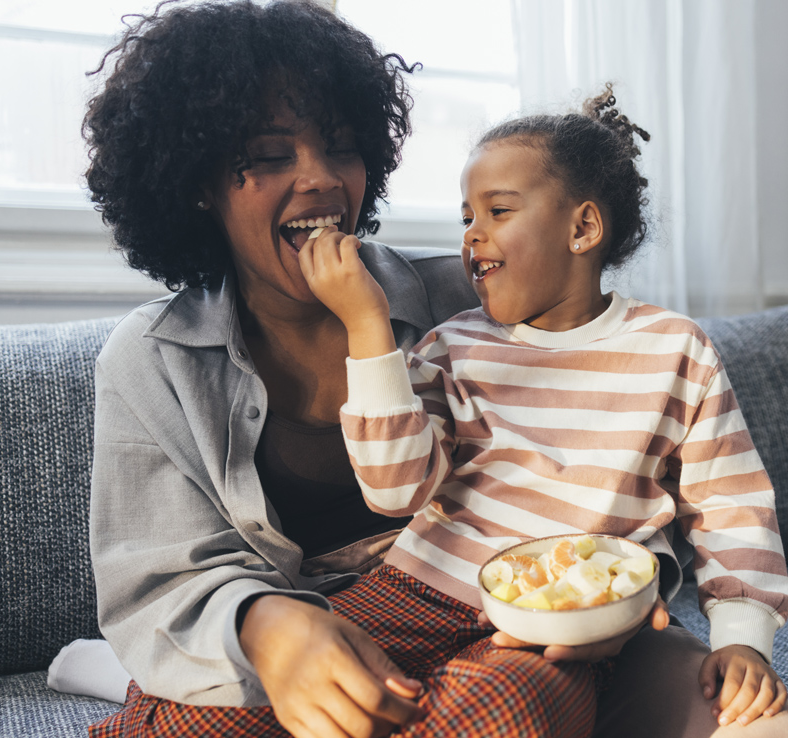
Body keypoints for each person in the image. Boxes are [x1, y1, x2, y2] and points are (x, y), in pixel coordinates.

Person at [80, 1, 780, 736]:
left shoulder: (479, 297)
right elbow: (159, 582)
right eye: (271, 154)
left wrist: (618, 594)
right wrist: (267, 627)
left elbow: (632, 461)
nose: (320, 178)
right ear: (197, 181)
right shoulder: (153, 361)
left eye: (342, 146)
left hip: (527, 635)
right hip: (370, 613)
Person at [299, 84, 788, 734]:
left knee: (497, 709)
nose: (472, 235)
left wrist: (743, 641)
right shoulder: (452, 346)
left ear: (582, 228)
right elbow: (394, 491)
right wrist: (367, 326)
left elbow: (731, 508)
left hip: (562, 626)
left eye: (497, 211)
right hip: (415, 593)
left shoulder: (676, 349)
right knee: (242, 697)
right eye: (466, 217)